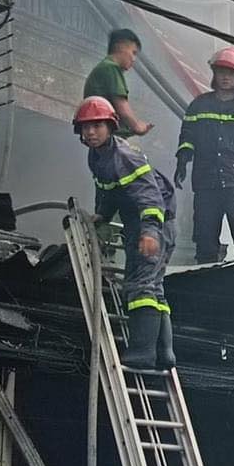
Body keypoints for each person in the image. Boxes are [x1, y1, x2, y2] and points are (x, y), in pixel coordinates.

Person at [73, 96, 176, 370]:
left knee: (140, 287)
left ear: (111, 126)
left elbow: (151, 197)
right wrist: (103, 215)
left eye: (97, 126)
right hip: (137, 226)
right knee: (154, 288)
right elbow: (108, 190)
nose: (90, 132)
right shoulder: (96, 157)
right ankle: (164, 353)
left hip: (153, 225)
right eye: (85, 127)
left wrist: (151, 232)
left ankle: (143, 353)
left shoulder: (125, 157)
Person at [174, 47, 234, 264]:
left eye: (230, 73)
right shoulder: (198, 106)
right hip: (206, 183)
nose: (225, 77)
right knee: (205, 243)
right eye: (221, 72)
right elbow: (187, 136)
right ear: (214, 75)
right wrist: (182, 160)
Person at [84, 28, 152, 137]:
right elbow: (121, 105)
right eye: (133, 53)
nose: (134, 59)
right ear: (120, 46)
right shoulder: (110, 68)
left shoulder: (104, 67)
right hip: (109, 139)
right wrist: (137, 126)